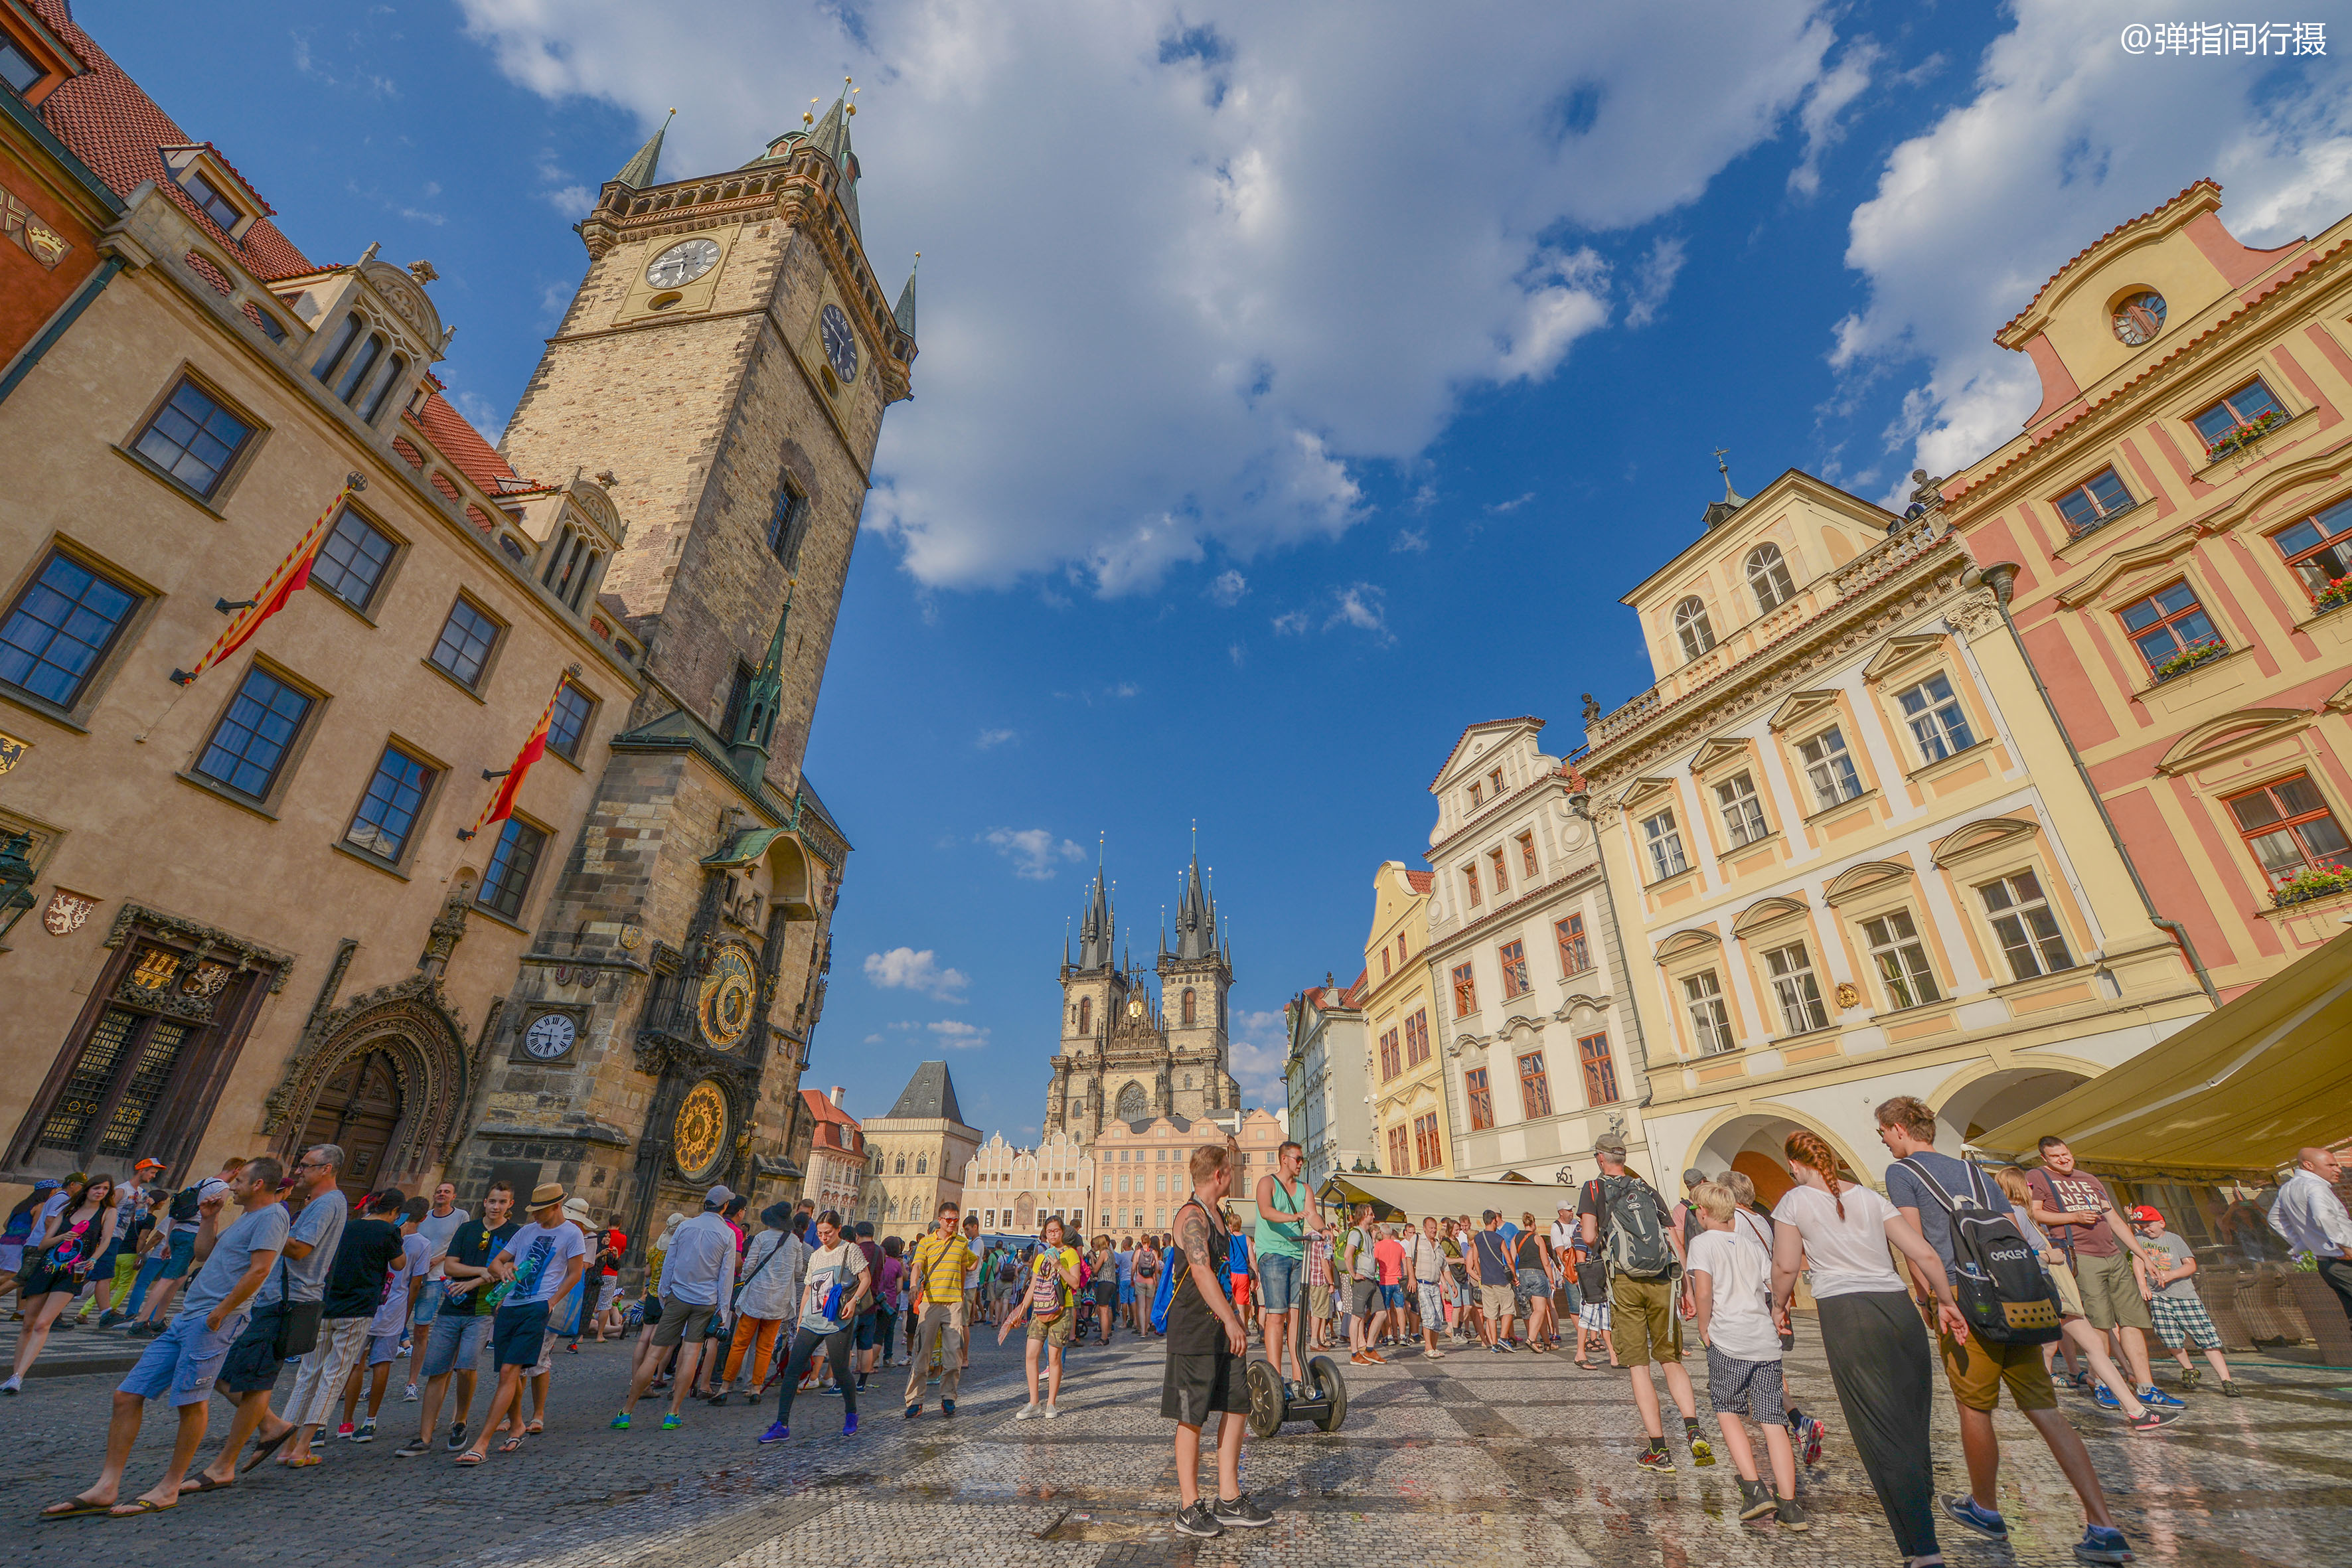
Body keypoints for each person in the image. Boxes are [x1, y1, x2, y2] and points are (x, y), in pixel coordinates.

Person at [1876, 1101, 2137, 1563]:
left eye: (1883, 1131)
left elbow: (1916, 1246)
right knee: (2044, 1408)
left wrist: (1931, 1301)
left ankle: (1985, 1507)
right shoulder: (1976, 1173)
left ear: (1899, 1129)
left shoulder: (1903, 1172)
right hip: (2015, 1297)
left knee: (1974, 1406)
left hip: (1962, 1295)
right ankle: (2103, 1525)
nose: (1882, 1139)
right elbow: (2015, 1231)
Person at [39, 1159, 285, 1520]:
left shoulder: (273, 1216)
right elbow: (204, 1255)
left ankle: (169, 1487)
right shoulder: (246, 1217)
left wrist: (221, 1312)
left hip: (214, 1319)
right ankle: (107, 1487)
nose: (231, 1186)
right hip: (190, 1316)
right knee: (126, 1395)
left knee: (190, 1401)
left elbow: (260, 1269)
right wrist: (208, 1219)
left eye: (239, 1180)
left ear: (259, 1184)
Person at [1770, 1129, 1964, 1568]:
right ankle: (1920, 1526)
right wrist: (1946, 1304)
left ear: (1795, 1165)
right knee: (1913, 1423)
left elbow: (1784, 1265)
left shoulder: (1794, 1201)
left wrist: (1777, 1307)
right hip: (1898, 1310)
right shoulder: (1872, 1199)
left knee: (1879, 1429)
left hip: (1847, 1315)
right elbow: (1926, 1256)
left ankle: (1923, 1549)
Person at [186, 1145, 348, 1487]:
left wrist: (268, 1225)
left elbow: (301, 1249)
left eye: (306, 1166)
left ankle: (229, 1461)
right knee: (228, 1373)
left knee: (249, 1378)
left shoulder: (326, 1203)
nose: (299, 1171)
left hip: (286, 1301)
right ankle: (270, 1427)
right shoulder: (312, 1204)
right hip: (274, 1298)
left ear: (327, 1169)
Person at [1986, 1166, 2161, 1422]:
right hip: (2047, 1288)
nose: (2032, 1190)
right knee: (2057, 1347)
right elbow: (2016, 1253)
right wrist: (2048, 1255)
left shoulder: (2012, 1213)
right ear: (2019, 1186)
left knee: (2062, 1346)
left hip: (2044, 1290)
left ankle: (2129, 1408)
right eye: (2028, 1186)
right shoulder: (2017, 1213)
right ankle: (2126, 1409)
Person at [1164, 1141, 1273, 1538]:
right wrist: (1232, 1319)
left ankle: (1228, 1497)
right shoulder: (1192, 1217)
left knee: (1237, 1405)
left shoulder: (1219, 1217)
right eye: (1231, 1168)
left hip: (1225, 1329)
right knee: (1191, 1416)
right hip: (1194, 1330)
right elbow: (1201, 1271)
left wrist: (1233, 1321)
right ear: (1219, 1175)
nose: (1235, 1173)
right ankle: (1188, 1505)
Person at [2024, 1137, 2179, 1413]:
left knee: (2132, 1321)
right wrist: (2074, 1217)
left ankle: (2147, 1387)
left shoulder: (2089, 1178)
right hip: (2080, 1255)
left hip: (2113, 1254)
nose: (2063, 1159)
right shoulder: (2038, 1176)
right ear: (2045, 1158)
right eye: (2055, 1156)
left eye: (2065, 1153)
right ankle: (2102, 1383)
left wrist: (2143, 1256)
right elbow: (2035, 1214)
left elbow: (2115, 1220)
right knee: (2099, 1321)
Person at [1686, 1180, 1806, 1531]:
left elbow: (1704, 1291)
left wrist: (1704, 1328)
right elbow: (1769, 1290)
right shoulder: (1753, 1246)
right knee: (1773, 1422)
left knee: (1727, 1412)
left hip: (1729, 1340)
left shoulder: (1701, 1243)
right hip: (1764, 1342)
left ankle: (1754, 1489)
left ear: (1703, 1213)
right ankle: (1790, 1504)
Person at [1580, 1142, 1707, 1470]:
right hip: (1664, 1279)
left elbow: (1590, 1236)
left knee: (1639, 1366)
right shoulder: (1647, 1188)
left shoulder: (1593, 1188)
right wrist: (1687, 1288)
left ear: (1599, 1158)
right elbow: (1673, 1240)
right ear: (1623, 1159)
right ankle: (1693, 1430)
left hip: (1626, 1281)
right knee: (1671, 1359)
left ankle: (1659, 1450)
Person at [457, 1183, 588, 1464]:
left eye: (539, 1211)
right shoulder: (526, 1231)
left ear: (555, 1207)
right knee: (510, 1374)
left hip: (536, 1307)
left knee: (508, 1371)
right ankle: (517, 1425)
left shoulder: (572, 1234)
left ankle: (482, 1443)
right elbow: (498, 1262)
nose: (535, 1216)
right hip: (510, 1306)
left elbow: (575, 1273)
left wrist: (551, 1302)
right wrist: (503, 1269)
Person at [276, 1186, 406, 1462]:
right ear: (395, 1212)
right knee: (333, 1376)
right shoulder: (389, 1232)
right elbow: (399, 1264)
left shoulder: (348, 1226)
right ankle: (303, 1448)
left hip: (327, 1304)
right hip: (358, 1310)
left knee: (307, 1375)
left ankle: (286, 1445)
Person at [396, 1180, 516, 1457]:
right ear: (484, 1202)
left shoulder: (514, 1234)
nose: (496, 1206)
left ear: (510, 1205)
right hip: (451, 1307)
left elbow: (508, 1270)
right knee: (437, 1370)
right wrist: (482, 1271)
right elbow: (450, 1265)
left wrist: (478, 1278)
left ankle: (460, 1421)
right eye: (492, 1201)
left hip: (482, 1310)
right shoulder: (468, 1228)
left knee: (466, 1368)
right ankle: (425, 1437)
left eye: (502, 1202)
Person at [613, 1184, 736, 1429]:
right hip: (705, 1301)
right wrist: (724, 1309)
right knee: (690, 1354)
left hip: (677, 1296)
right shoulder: (727, 1234)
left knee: (654, 1354)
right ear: (724, 1207)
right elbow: (726, 1275)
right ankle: (673, 1413)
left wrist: (663, 1293)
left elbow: (670, 1262)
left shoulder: (686, 1226)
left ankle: (626, 1412)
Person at [759, 1208, 869, 1442]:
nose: (824, 1237)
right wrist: (800, 1319)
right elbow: (809, 1288)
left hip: (838, 1318)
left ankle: (851, 1414)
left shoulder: (850, 1250)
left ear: (839, 1229)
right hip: (812, 1319)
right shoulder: (817, 1255)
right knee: (793, 1369)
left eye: (828, 1232)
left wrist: (854, 1300)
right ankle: (782, 1424)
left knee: (840, 1371)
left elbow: (866, 1278)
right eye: (820, 1233)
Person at [5, 1172, 117, 1392]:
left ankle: (19, 1377)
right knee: (28, 1324)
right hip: (47, 1268)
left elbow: (106, 1240)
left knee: (42, 1324)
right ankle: (14, 1374)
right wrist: (62, 1238)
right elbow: (43, 1243)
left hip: (73, 1272)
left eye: (105, 1189)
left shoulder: (108, 1213)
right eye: (97, 1188)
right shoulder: (68, 1210)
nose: (100, 1192)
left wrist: (94, 1259)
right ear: (87, 1189)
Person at [127, 1160, 248, 1336]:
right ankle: (140, 1323)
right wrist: (210, 1240)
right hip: (191, 1234)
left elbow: (176, 1212)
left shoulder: (202, 1182)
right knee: (167, 1279)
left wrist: (169, 1240)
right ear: (237, 1170)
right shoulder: (222, 1187)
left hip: (178, 1231)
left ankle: (158, 1320)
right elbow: (213, 1217)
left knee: (179, 1278)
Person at [2130, 1204, 2236, 1395]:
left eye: (2149, 1224)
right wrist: (2143, 1285)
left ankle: (2226, 1380)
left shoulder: (2174, 1239)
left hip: (2184, 1296)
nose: (2146, 1228)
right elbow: (2138, 1261)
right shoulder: (2139, 1239)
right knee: (2169, 1336)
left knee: (2206, 1337)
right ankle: (2189, 1368)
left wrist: (2172, 1274)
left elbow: (2190, 1265)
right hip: (2159, 1297)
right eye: (2141, 1225)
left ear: (2161, 1222)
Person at [1248, 1138, 1316, 1382]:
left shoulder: (1305, 1189)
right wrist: (1293, 1216)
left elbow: (1313, 1216)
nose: (1301, 1163)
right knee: (1276, 1316)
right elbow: (1266, 1211)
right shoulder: (1267, 1183)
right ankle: (1275, 1378)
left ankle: (1299, 1380)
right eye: (1297, 1159)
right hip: (1273, 1255)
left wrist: (1325, 1230)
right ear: (1284, 1159)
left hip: (1299, 1256)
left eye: (1302, 1159)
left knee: (1297, 1319)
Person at [1000, 1215, 1081, 1417]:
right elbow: (1033, 1287)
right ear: (1045, 1233)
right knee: (1031, 1354)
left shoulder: (1071, 1254)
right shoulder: (1039, 1257)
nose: (1053, 1235)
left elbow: (1075, 1283)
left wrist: (1058, 1266)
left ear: (1062, 1232)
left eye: (1056, 1231)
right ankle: (1034, 1402)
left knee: (1054, 1357)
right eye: (1049, 1231)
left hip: (1062, 1309)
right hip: (1040, 1309)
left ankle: (1051, 1404)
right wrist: (1021, 1310)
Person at [903, 1200, 975, 1419]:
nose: (954, 1223)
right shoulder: (926, 1243)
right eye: (950, 1220)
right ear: (941, 1220)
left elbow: (967, 1267)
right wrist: (914, 1285)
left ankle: (948, 1397)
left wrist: (962, 1295)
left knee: (953, 1352)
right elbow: (917, 1265)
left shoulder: (962, 1243)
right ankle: (915, 1400)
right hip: (931, 1302)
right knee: (923, 1352)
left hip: (953, 1302)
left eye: (956, 1219)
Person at [2268, 1146, 2352, 1328]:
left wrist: (2302, 1242)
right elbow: (2323, 1216)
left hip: (2327, 1263)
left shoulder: (2288, 1188)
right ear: (2309, 1165)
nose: (2337, 1169)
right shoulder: (2315, 1187)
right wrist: (2345, 1246)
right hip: (2345, 1259)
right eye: (2331, 1165)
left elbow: (2274, 1219)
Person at [402, 1182, 470, 1397]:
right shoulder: (424, 1216)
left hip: (435, 1278)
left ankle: (412, 1382)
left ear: (454, 1196)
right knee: (393, 1326)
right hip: (411, 1275)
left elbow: (461, 1244)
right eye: (439, 1191)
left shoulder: (461, 1216)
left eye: (447, 1192)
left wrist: (436, 1259)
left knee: (422, 1329)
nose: (442, 1194)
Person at [1470, 1210, 1518, 1356]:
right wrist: (1514, 1276)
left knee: (1490, 1313)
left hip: (1486, 1281)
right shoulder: (1499, 1239)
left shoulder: (1478, 1238)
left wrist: (1480, 1274)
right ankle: (1504, 1338)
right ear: (1494, 1221)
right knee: (1508, 1309)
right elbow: (1509, 1259)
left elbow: (1475, 1259)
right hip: (1500, 1280)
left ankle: (1494, 1343)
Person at [1344, 1204, 1387, 1364]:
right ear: (1363, 1216)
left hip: (1370, 1279)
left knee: (1381, 1312)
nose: (1373, 1216)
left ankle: (1369, 1349)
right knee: (1357, 1316)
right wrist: (1353, 1274)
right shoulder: (1356, 1233)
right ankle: (1355, 1353)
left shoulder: (1367, 1234)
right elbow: (1348, 1255)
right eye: (1370, 1214)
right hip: (1361, 1280)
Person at [1512, 1212, 1556, 1352]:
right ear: (1534, 1223)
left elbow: (1511, 1259)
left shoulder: (1515, 1238)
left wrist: (1514, 1276)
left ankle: (1547, 1342)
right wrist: (1551, 1279)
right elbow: (1546, 1262)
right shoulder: (1538, 1239)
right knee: (1540, 1310)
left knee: (1537, 1310)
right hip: (1537, 1274)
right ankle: (1531, 1339)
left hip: (1523, 1275)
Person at [1411, 1215, 1449, 1360]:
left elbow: (1444, 1267)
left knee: (1438, 1317)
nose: (1434, 1230)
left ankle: (1434, 1346)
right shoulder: (1418, 1241)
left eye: (1435, 1228)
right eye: (1431, 1227)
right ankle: (1428, 1347)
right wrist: (1412, 1278)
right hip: (1422, 1283)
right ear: (1425, 1228)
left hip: (1435, 1285)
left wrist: (1449, 1284)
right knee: (1429, 1315)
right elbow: (1408, 1259)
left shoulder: (1438, 1245)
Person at [1372, 1223, 1407, 1351]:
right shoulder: (1399, 1246)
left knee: (1386, 1309)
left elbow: (1375, 1263)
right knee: (1399, 1308)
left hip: (1384, 1281)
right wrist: (1405, 1277)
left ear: (1381, 1233)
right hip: (1398, 1280)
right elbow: (1404, 1262)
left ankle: (1390, 1336)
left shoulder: (1378, 1246)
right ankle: (1402, 1336)